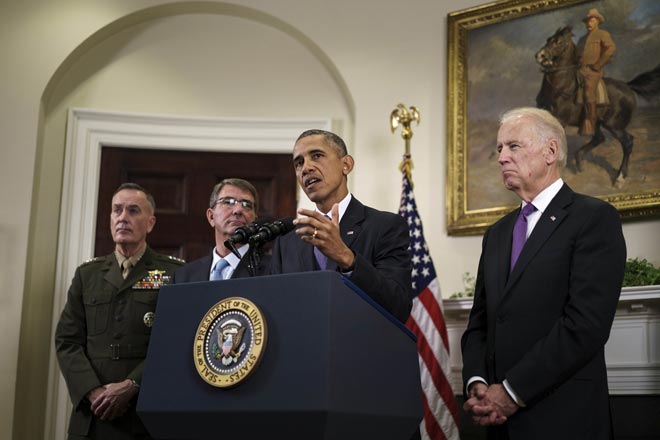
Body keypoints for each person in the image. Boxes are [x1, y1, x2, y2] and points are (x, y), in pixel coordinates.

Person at [461, 107, 626, 439]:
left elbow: (586, 325)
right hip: (500, 424)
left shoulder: (593, 219)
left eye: (513, 146)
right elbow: (481, 322)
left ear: (550, 151)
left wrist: (511, 392)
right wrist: (477, 382)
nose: (501, 158)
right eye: (499, 149)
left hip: (565, 418)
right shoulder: (496, 233)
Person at [55, 183, 184, 439]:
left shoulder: (174, 274)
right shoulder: (87, 274)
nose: (123, 218)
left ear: (150, 223)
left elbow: (176, 343)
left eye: (133, 211)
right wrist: (92, 392)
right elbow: (67, 342)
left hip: (144, 411)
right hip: (94, 414)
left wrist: (132, 384)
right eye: (117, 211)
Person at [270, 129, 413, 322]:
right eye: (299, 163)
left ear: (346, 164)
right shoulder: (287, 242)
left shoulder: (385, 227)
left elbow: (399, 306)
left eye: (317, 156)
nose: (306, 168)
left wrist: (347, 258)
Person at [174, 178, 270, 282]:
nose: (238, 210)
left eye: (246, 205)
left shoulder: (273, 270)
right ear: (211, 217)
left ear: (254, 218)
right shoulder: (183, 277)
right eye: (228, 202)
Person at [577, 8, 616, 136]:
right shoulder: (582, 39)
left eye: (592, 21)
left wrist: (599, 64)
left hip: (593, 71)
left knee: (588, 92)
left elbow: (611, 48)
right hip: (580, 70)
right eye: (587, 21)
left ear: (597, 22)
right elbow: (578, 55)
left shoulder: (602, 34)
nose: (589, 24)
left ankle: (590, 123)